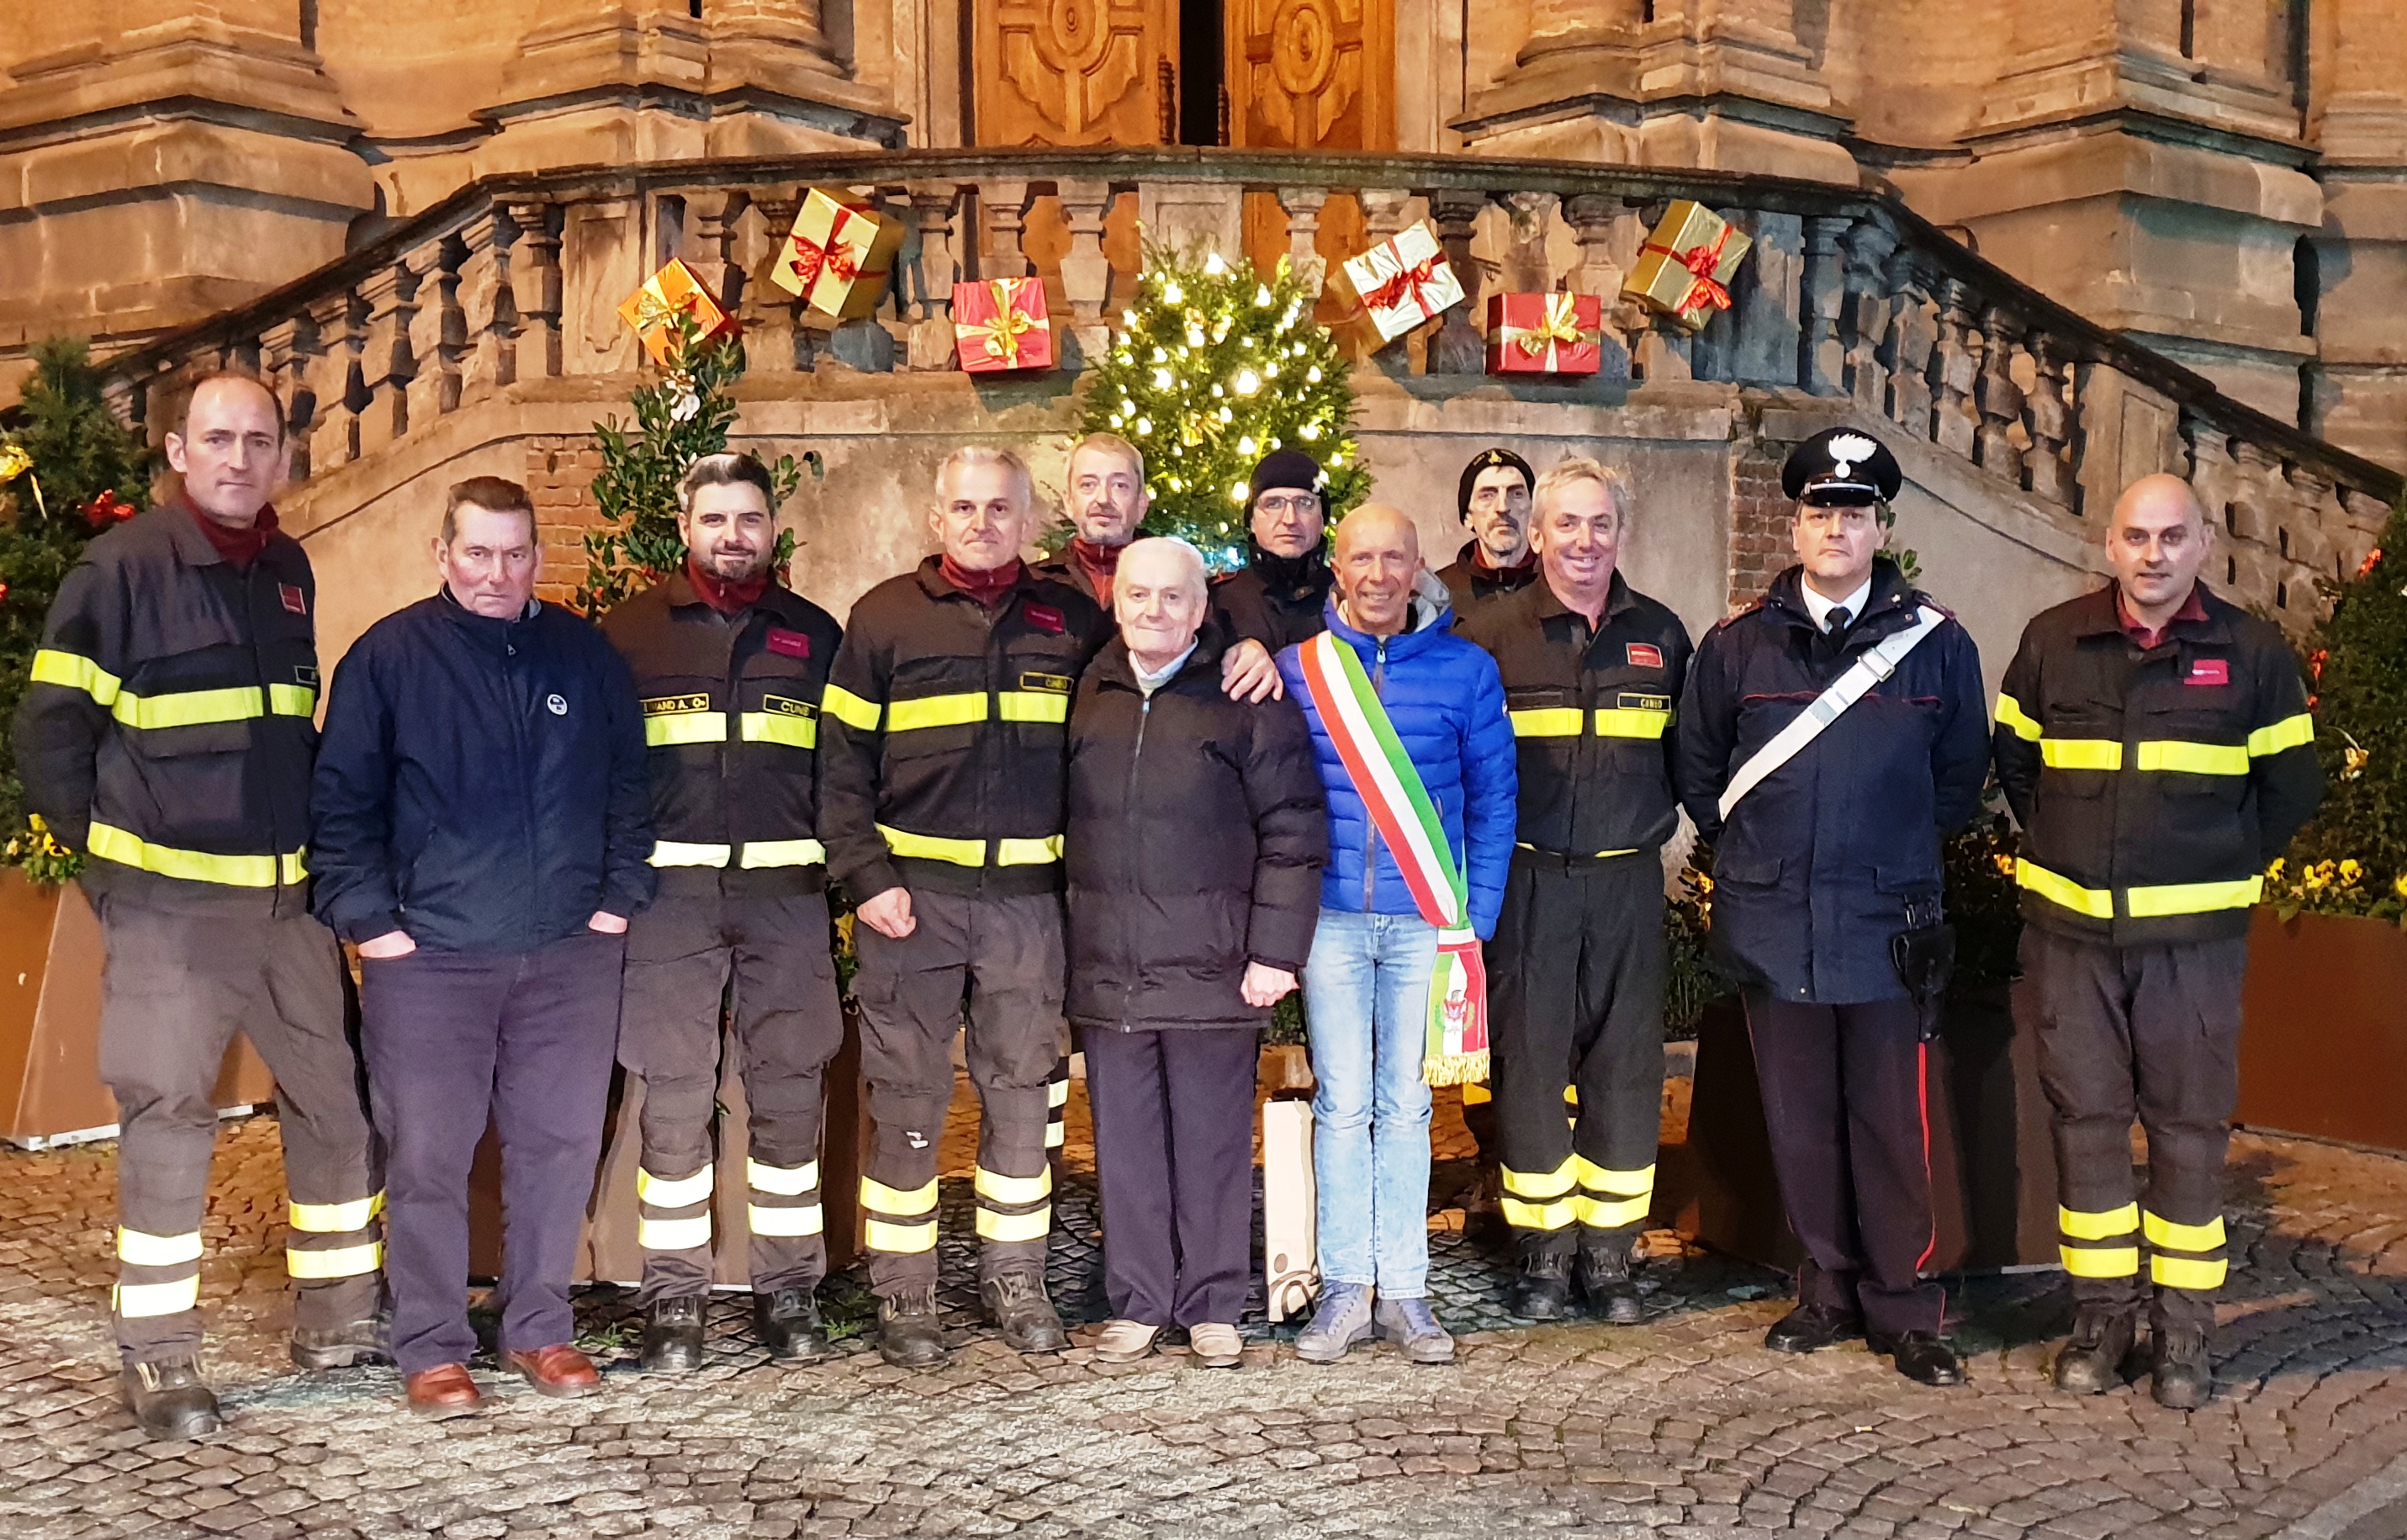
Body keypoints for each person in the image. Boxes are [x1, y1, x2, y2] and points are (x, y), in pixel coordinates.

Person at [13, 373, 389, 1438]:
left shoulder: (288, 570)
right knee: (169, 1118)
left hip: (290, 907)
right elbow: (49, 733)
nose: (237, 458)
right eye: (216, 439)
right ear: (178, 451)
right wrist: (113, 874)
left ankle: (339, 1320)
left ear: (280, 456)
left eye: (257, 440)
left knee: (335, 1105)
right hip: (170, 909)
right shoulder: (119, 570)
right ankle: (160, 1357)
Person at [310, 476, 654, 1416]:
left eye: (514, 554)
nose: (496, 572)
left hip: (569, 956)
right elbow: (341, 808)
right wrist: (373, 926)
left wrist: (616, 903)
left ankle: (538, 1327)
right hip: (431, 960)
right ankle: (430, 1342)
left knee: (557, 1143)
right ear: (443, 554)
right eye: (476, 553)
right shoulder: (387, 660)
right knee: (427, 1150)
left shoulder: (583, 657)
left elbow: (631, 784)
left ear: (539, 557)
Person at [1994, 473, 2320, 1410]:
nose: (2153, 554)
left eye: (2172, 537)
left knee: (2187, 1134)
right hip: (2073, 939)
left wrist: (2213, 864)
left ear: (2204, 544)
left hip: (2194, 947)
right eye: (2137, 536)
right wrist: (2067, 851)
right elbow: (2016, 761)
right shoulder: (2054, 641)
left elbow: (2292, 790)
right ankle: (2101, 1319)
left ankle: (2184, 1334)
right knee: (2086, 1126)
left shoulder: (2253, 655)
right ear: (2110, 544)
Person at [1673, 426, 1989, 1388]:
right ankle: (1826, 1290)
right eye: (1820, 510)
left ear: (1880, 525)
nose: (1836, 527)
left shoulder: (1936, 646)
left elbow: (1958, 780)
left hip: (1888, 927)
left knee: (1892, 1124)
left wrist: (1880, 852)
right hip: (1777, 925)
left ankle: (1904, 1305)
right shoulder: (1737, 646)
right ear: (1796, 522)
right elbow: (1698, 772)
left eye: (1855, 512)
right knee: (1800, 1120)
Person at [818, 446, 1113, 1368]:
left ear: (1030, 522)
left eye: (1000, 509)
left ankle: (1014, 1277)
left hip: (1029, 906)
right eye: (965, 508)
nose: (982, 524)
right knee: (906, 1095)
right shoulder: (883, 619)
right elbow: (837, 768)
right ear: (935, 517)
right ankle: (904, 1289)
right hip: (914, 906)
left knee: (1022, 1096)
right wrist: (868, 880)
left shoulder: (1070, 621)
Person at [596, 452, 845, 1373]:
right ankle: (674, 1300)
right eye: (714, 521)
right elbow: (605, 782)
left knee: (788, 1101)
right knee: (673, 1104)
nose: (731, 537)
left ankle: (789, 1291)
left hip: (787, 904)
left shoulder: (816, 637)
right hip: (670, 908)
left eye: (748, 520)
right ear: (684, 526)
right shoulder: (626, 637)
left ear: (771, 529)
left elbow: (844, 774)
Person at [1065, 537, 1327, 1369]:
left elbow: (1293, 828)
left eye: (1172, 597)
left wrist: (1275, 951)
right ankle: (1140, 1301)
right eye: (1138, 595)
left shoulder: (1246, 694)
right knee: (1128, 1144)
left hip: (1217, 967)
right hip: (1113, 965)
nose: (1153, 610)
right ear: (1117, 601)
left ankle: (1214, 1302)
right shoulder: (1091, 688)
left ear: (1200, 607)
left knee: (1213, 1142)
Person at [1275, 504, 1517, 1366]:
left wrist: (1472, 923)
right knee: (1342, 1105)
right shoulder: (1297, 669)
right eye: (1362, 558)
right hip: (1331, 920)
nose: (1378, 574)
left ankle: (1407, 1291)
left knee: (1410, 1107)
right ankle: (1345, 1289)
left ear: (1420, 569)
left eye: (1395, 558)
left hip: (1427, 924)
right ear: (1336, 569)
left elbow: (1494, 805)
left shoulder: (1467, 670)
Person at [1457, 459, 1693, 1324]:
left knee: (1628, 1072)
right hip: (1529, 881)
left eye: (1600, 524)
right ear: (1539, 531)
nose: (1584, 541)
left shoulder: (1664, 636)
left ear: (1619, 534)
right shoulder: (1490, 635)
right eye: (1567, 524)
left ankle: (1610, 1254)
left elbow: (1693, 761)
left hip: (1629, 882)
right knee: (1529, 1068)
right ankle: (1546, 1253)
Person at [1213, 449, 1336, 654]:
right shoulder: (1219, 601)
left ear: (1322, 519)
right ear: (1251, 520)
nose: (1289, 519)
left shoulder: (1347, 597)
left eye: (1304, 503)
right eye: (1273, 504)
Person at [1032, 432, 1150, 605]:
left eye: (1119, 485)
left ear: (1141, 505)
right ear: (1069, 502)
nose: (1103, 499)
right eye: (1088, 485)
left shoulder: (1175, 580)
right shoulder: (1033, 586)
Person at [1436, 447, 1539, 612]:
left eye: (1516, 494)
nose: (1503, 507)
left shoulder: (1560, 585)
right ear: (1468, 516)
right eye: (1487, 495)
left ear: (1533, 510)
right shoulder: (1440, 596)